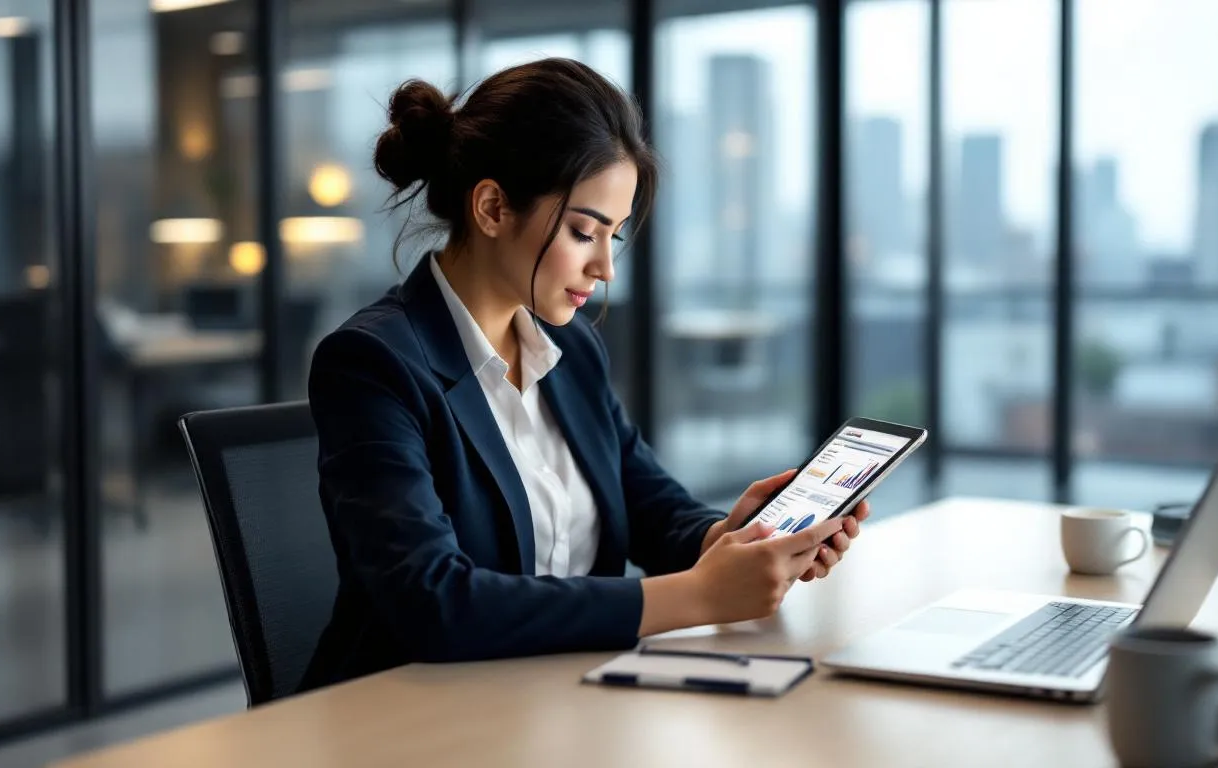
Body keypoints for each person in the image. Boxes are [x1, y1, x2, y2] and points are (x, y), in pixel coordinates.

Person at [301, 58, 869, 692]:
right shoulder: (373, 363)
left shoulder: (570, 350)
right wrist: (698, 598)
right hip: (404, 721)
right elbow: (434, 602)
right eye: (582, 232)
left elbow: (646, 502)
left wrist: (735, 538)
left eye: (614, 237)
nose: (605, 268)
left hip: (562, 700)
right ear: (491, 207)